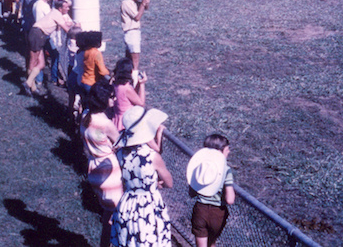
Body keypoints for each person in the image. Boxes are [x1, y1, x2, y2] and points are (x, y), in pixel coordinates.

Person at [110, 106, 173, 247]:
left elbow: (129, 178)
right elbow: (169, 182)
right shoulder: (152, 156)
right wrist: (154, 182)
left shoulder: (120, 154)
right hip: (148, 206)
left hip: (127, 203)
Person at [80, 79, 123, 247]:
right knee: (117, 217)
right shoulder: (106, 124)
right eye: (112, 97)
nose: (115, 100)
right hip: (110, 172)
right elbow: (120, 143)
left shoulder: (86, 115)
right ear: (104, 100)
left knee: (108, 216)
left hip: (94, 169)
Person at [187, 134, 235, 247]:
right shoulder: (226, 170)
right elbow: (230, 199)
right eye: (227, 149)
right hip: (217, 213)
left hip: (200, 210)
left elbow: (191, 193)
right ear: (220, 151)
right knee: (211, 243)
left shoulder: (199, 167)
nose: (229, 152)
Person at [25, 0, 74, 96]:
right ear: (60, 8)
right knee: (33, 61)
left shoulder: (55, 13)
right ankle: (29, 85)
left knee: (41, 64)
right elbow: (67, 30)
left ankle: (30, 86)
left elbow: (57, 27)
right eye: (66, 7)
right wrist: (78, 33)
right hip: (38, 34)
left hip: (39, 35)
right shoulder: (57, 14)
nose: (68, 9)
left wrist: (66, 24)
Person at [120, 0, 150, 75]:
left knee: (129, 61)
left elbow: (146, 8)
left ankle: (126, 77)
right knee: (135, 62)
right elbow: (137, 17)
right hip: (131, 33)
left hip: (134, 33)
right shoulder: (126, 3)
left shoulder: (133, 2)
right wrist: (143, 3)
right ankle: (134, 78)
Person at [111, 58, 146, 131]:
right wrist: (142, 84)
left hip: (118, 119)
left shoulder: (116, 84)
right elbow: (141, 103)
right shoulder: (126, 88)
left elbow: (133, 96)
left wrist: (138, 84)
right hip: (127, 121)